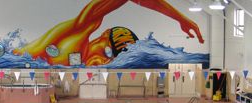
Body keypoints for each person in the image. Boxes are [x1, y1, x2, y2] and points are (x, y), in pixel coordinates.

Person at [13, 0, 203, 66]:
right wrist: (181, 18)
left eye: (112, 59)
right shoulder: (80, 29)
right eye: (107, 53)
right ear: (102, 35)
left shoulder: (85, 62)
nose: (104, 61)